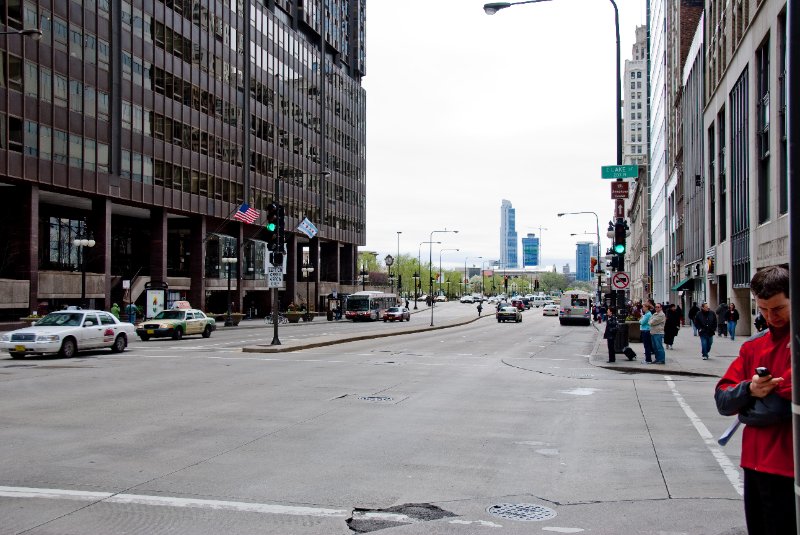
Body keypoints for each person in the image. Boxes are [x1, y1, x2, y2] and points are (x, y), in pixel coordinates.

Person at [714, 265, 794, 534]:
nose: (771, 317)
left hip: (788, 465)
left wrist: (744, 409)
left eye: (778, 308)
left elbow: (778, 408)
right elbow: (722, 399)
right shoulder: (753, 346)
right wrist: (749, 389)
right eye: (763, 309)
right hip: (754, 463)